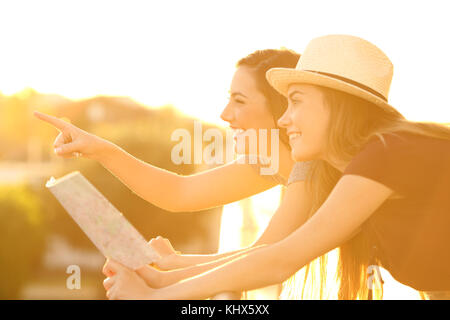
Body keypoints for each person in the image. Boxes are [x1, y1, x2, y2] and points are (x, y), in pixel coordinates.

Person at [102, 34, 450, 300]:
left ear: (338, 106)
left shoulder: (387, 154)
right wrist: (166, 275)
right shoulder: (348, 172)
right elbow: (271, 255)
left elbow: (278, 259)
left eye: (295, 102)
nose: (284, 119)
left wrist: (159, 292)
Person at [35, 49, 315, 295]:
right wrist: (99, 149)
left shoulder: (314, 171)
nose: (224, 114)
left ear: (281, 107)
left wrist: (162, 281)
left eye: (239, 101)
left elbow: (264, 261)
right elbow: (179, 192)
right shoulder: (269, 165)